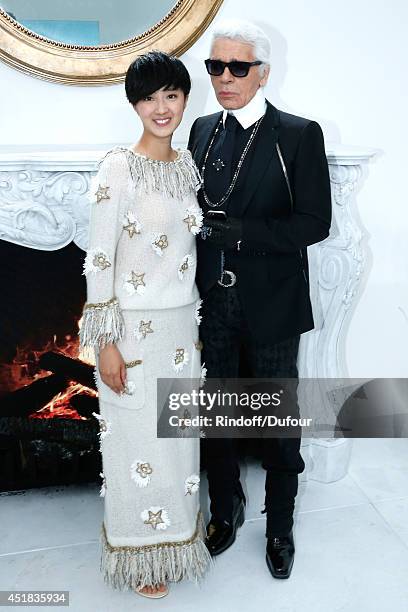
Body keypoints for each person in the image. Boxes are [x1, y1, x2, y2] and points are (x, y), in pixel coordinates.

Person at [188, 20, 332, 578]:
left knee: (277, 418)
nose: (224, 78)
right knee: (217, 413)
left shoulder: (298, 133)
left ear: (262, 73)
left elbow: (314, 223)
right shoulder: (200, 129)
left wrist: (243, 234)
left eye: (237, 68)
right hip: (212, 302)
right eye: (215, 67)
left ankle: (280, 525)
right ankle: (224, 508)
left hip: (273, 301)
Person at [79, 51, 211, 599]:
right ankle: (140, 554)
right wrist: (105, 343)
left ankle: (178, 536)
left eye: (172, 96)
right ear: (135, 104)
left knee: (178, 445)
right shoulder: (116, 167)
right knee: (137, 445)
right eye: (150, 97)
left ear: (184, 99)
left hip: (183, 331)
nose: (162, 108)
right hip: (133, 333)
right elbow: (100, 260)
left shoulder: (187, 165)